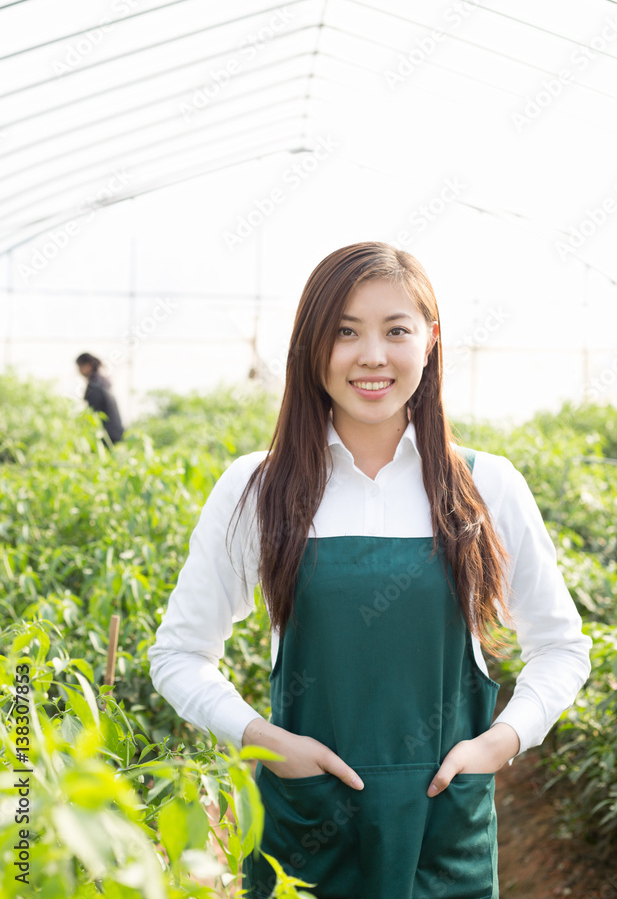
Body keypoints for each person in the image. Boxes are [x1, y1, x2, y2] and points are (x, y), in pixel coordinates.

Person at [147, 242, 592, 899]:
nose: (372, 356)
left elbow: (561, 648)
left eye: (396, 331)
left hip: (442, 832)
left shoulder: (486, 486)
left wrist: (499, 743)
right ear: (309, 347)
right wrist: (264, 741)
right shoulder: (259, 488)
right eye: (344, 332)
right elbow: (178, 654)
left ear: (430, 341)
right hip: (307, 831)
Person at [75, 353, 124, 446]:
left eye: (80, 367)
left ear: (89, 365)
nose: (79, 371)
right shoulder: (101, 381)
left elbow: (94, 414)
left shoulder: (95, 386)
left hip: (107, 435)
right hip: (115, 432)